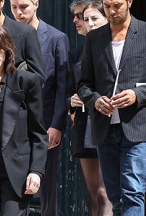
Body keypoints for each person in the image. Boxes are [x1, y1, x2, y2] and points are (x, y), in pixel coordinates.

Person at [77, 0, 146, 215]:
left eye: (117, 5)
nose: (112, 11)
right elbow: (83, 84)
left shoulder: (144, 32)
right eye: (107, 6)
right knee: (115, 196)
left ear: (129, 2)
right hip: (104, 129)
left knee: (133, 192)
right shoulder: (94, 38)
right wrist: (95, 100)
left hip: (135, 127)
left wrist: (136, 95)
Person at [0, 23, 48, 216]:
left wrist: (36, 171)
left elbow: (38, 132)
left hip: (17, 169)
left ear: (7, 50)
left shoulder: (27, 82)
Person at [10, 1, 69, 215]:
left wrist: (57, 125)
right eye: (14, 7)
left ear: (36, 3)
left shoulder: (56, 38)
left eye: (23, 6)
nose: (18, 12)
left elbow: (62, 87)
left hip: (45, 123)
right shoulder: (5, 36)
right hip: (12, 123)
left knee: (47, 183)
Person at [68, 0, 113, 215]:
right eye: (87, 20)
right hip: (84, 124)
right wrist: (71, 100)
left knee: (106, 193)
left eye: (95, 18)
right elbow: (68, 88)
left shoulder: (117, 48)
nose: (90, 23)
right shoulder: (77, 53)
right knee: (92, 193)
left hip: (109, 122)